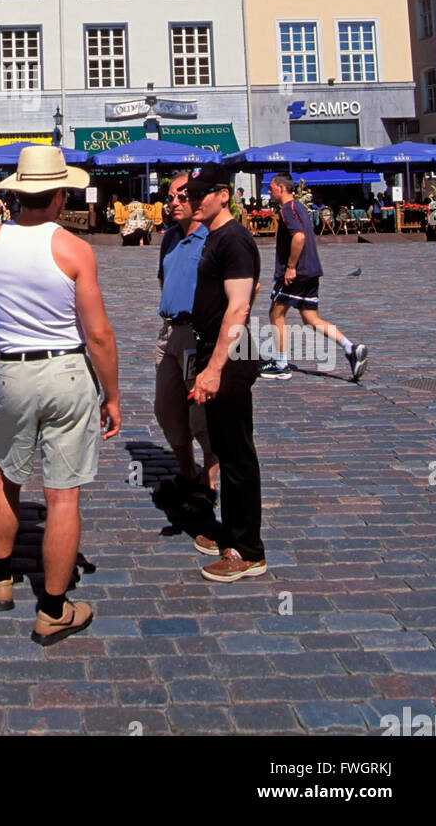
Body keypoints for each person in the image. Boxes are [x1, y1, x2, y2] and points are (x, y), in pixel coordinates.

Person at [0, 145, 120, 645]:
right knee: (62, 495)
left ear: (18, 193)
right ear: (59, 195)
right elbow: (98, 334)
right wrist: (113, 394)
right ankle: (54, 609)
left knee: (7, 477)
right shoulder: (75, 249)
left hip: (11, 372)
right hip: (65, 372)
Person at [185, 163, 265, 583]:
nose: (193, 200)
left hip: (230, 356)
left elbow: (239, 307)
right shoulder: (217, 236)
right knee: (227, 447)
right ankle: (231, 534)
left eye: (201, 194)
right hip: (216, 352)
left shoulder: (233, 239)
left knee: (236, 455)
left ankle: (247, 550)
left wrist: (214, 368)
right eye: (190, 194)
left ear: (224, 194)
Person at [154, 172, 218, 551]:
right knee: (167, 410)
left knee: (202, 417)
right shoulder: (170, 237)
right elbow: (164, 280)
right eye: (170, 196)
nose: (172, 202)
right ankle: (187, 473)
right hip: (169, 332)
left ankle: (208, 487)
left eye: (181, 196)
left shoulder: (213, 239)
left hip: (198, 337)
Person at [262, 173, 368, 383]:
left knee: (276, 313)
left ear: (282, 188)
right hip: (311, 270)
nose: (269, 191)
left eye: (271, 188)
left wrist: (290, 267)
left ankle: (281, 364)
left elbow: (299, 237)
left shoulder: (287, 209)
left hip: (298, 272)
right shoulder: (299, 208)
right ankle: (350, 348)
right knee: (311, 318)